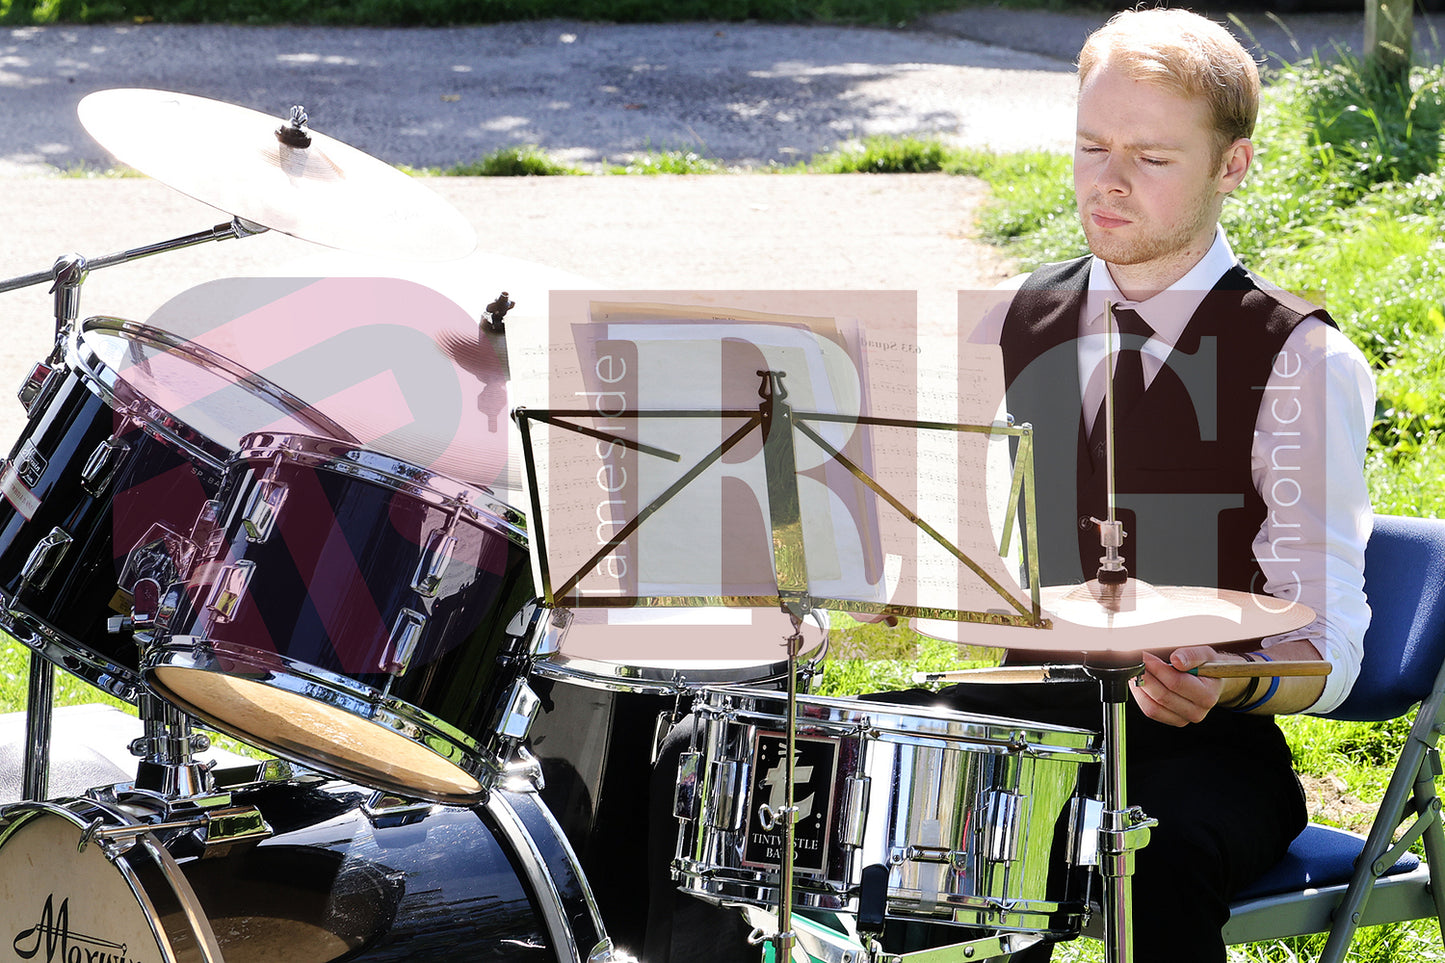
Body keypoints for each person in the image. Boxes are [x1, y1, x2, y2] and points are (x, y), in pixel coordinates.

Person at [645, 9, 1375, 962]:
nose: (1106, 181)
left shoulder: (1299, 358)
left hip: (1201, 752)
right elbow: (921, 532)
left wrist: (1225, 678)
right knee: (733, 780)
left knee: (1144, 858)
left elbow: (1333, 639)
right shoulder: (1014, 318)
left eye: (1150, 159)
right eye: (1089, 146)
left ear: (1230, 167)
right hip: (1017, 713)